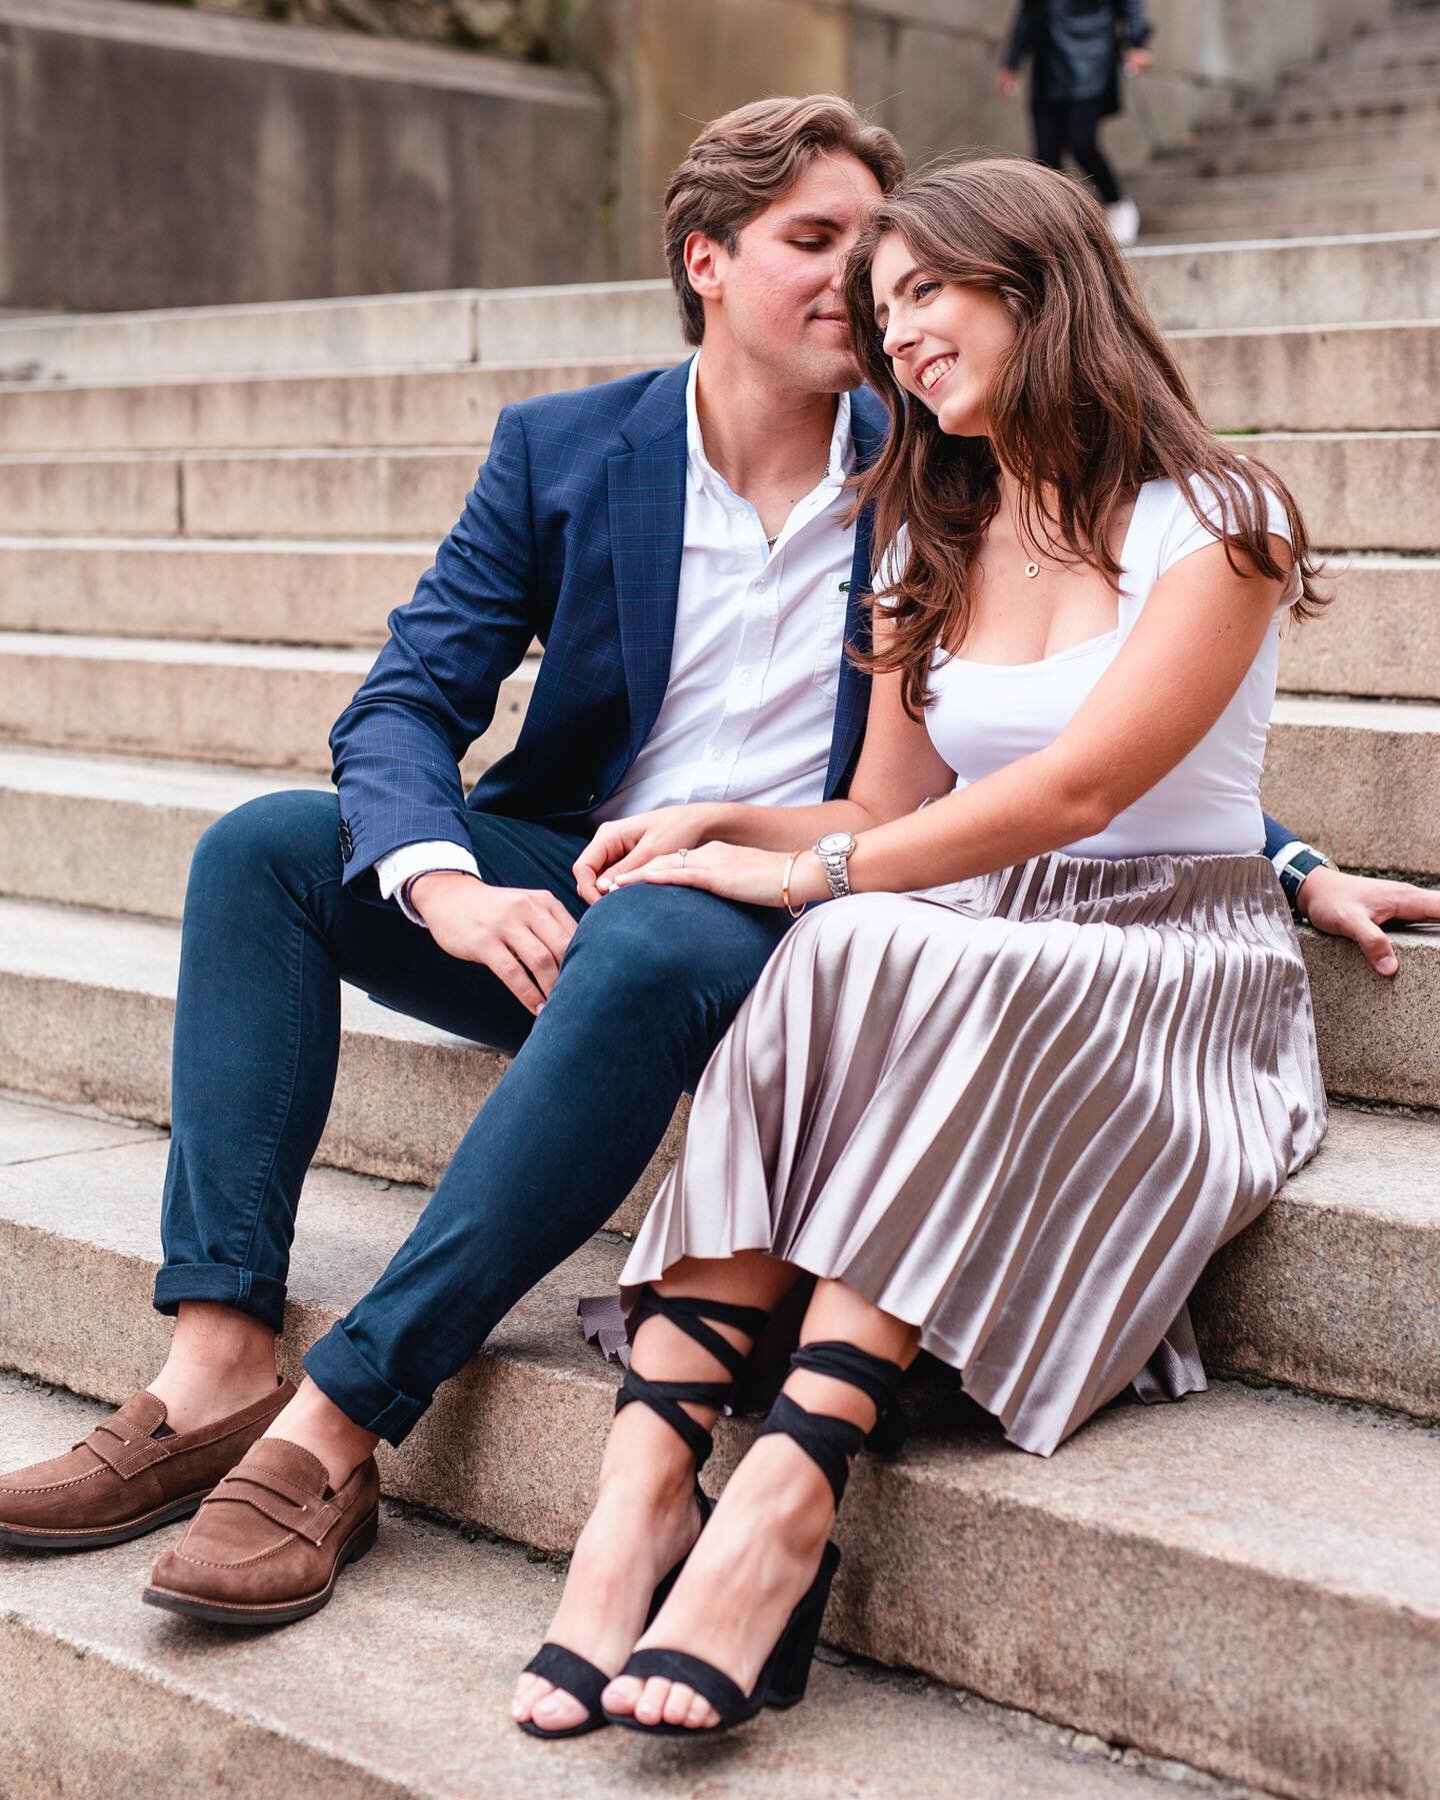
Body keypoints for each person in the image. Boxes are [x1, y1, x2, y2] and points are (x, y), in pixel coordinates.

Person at [0, 100, 1427, 1635]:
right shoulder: (566, 449)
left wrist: (1281, 860)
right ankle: (215, 1359)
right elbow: (406, 700)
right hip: (621, 862)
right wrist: (449, 882)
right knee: (264, 851)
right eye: (821, 250)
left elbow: (1085, 732)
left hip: (796, 913)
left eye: (889, 267)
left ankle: (340, 1420)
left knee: (661, 934)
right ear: (707, 259)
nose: (866, 300)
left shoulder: (944, 455)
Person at [508, 152, 1414, 1742]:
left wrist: (822, 880)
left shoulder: (1224, 519)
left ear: (1037, 281)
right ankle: (644, 1482)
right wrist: (712, 828)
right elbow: (880, 805)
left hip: (1171, 965)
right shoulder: (931, 531)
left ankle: (787, 1485)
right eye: (879, 305)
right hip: (978, 936)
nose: (895, 332)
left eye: (926, 289)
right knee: (854, 934)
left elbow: (1077, 791)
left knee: (871, 937)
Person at [999, 0, 1153, 245]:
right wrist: (1012, 63)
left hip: (1091, 59)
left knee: (1082, 142)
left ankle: (1118, 203)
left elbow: (1129, 5)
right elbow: (1027, 14)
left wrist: (1137, 43)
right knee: (1045, 159)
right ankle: (1053, 227)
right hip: (1048, 65)